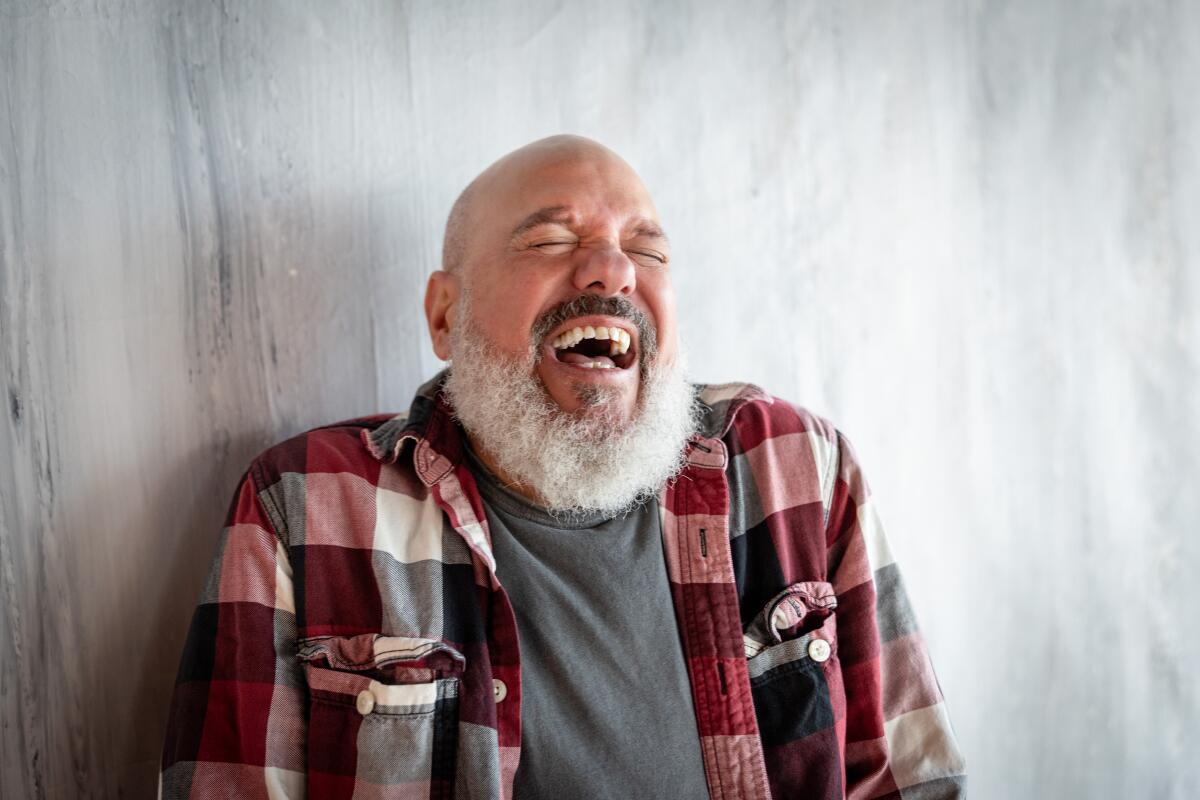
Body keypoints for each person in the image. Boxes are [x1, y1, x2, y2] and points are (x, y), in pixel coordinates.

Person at [159, 135, 966, 799]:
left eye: (646, 249)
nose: (612, 271)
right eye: (550, 241)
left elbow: (912, 783)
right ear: (446, 313)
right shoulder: (306, 504)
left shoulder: (797, 465)